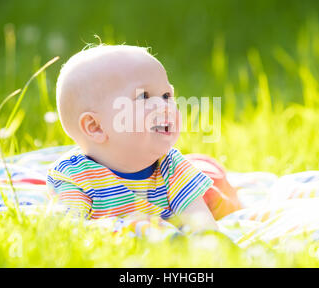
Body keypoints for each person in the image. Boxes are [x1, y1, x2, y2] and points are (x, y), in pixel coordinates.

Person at [47, 44, 241, 233]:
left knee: (213, 186)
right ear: (95, 127)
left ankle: (213, 178)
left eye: (166, 95)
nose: (165, 106)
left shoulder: (172, 167)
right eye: (144, 97)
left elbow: (203, 227)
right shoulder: (74, 176)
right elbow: (67, 230)